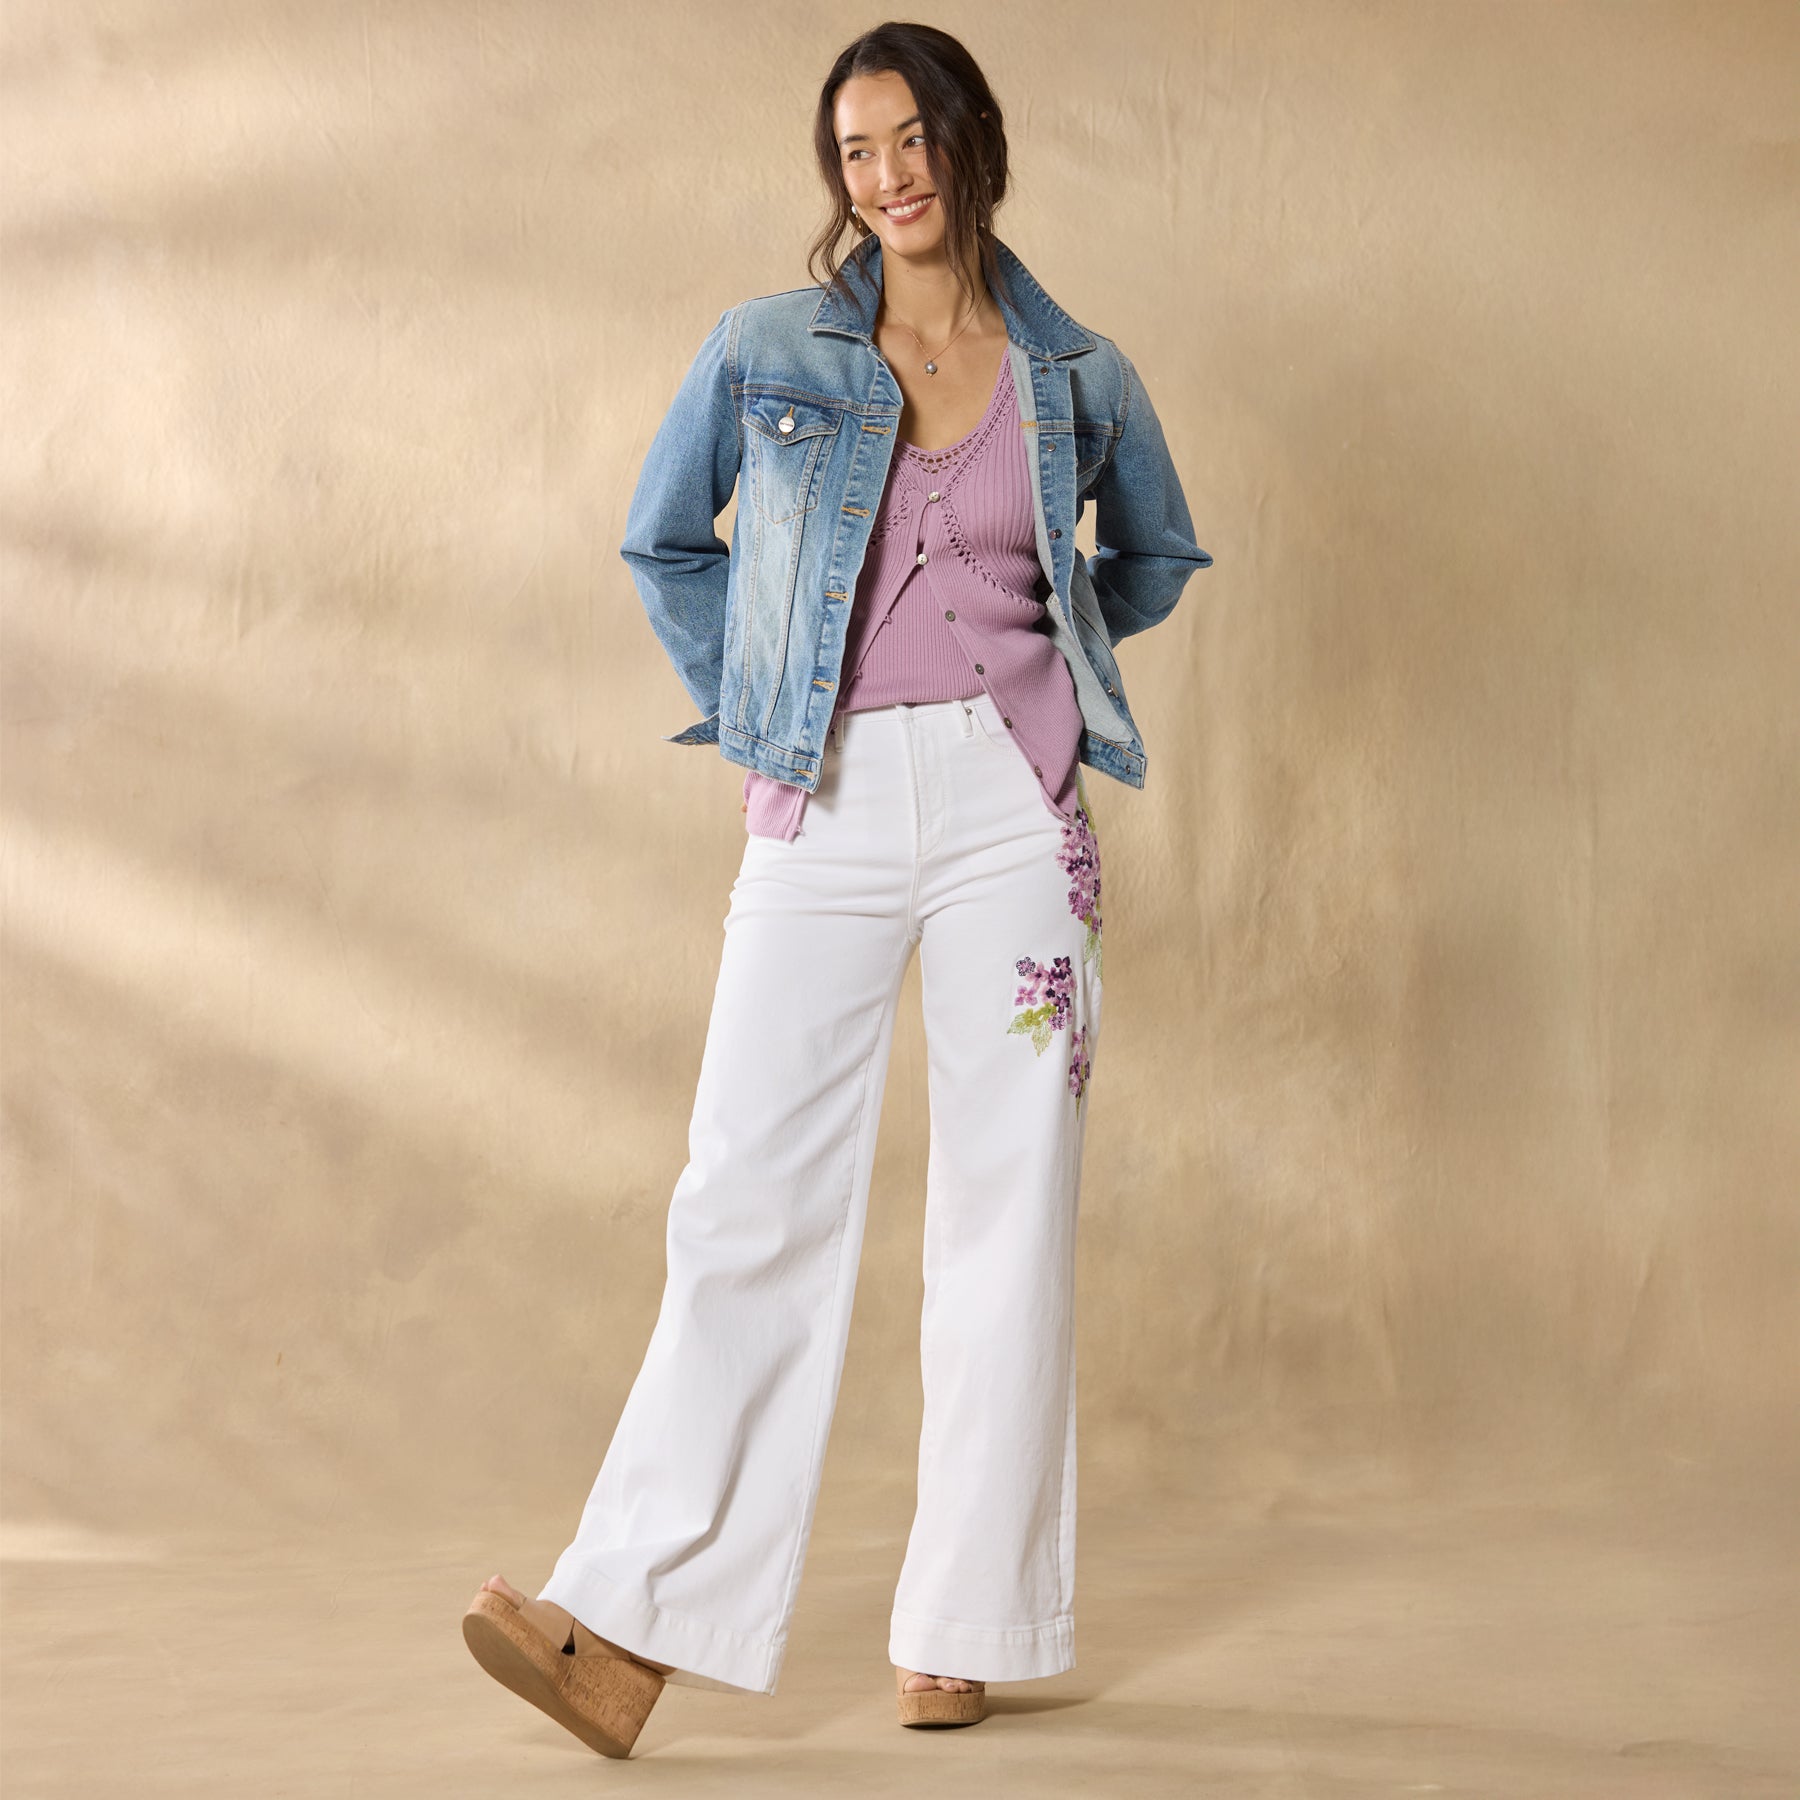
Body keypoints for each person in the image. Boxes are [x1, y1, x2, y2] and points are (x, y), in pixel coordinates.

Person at [461, 19, 1211, 1758]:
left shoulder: (1076, 372)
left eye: (912, 137)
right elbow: (665, 539)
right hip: (830, 793)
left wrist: (1057, 674)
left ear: (971, 139)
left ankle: (965, 1626)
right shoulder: (766, 349)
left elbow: (1153, 552)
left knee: (1007, 1209)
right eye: (856, 150)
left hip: (1015, 810)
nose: (887, 175)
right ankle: (625, 1634)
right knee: (745, 1192)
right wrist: (760, 705)